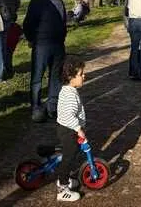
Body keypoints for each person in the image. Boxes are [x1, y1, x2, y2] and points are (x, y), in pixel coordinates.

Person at [23, 0, 68, 121]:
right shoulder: (38, 1)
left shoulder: (59, 0)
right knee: (37, 77)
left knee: (56, 76)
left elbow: (62, 20)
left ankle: (52, 107)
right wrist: (32, 39)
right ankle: (36, 107)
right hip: (42, 44)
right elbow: (28, 23)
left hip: (58, 44)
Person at [55, 56, 88, 202]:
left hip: (66, 128)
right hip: (68, 130)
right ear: (70, 77)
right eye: (81, 74)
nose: (84, 76)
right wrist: (78, 128)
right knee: (68, 157)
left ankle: (65, 178)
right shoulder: (69, 94)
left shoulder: (69, 90)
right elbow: (68, 115)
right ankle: (62, 188)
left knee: (71, 153)